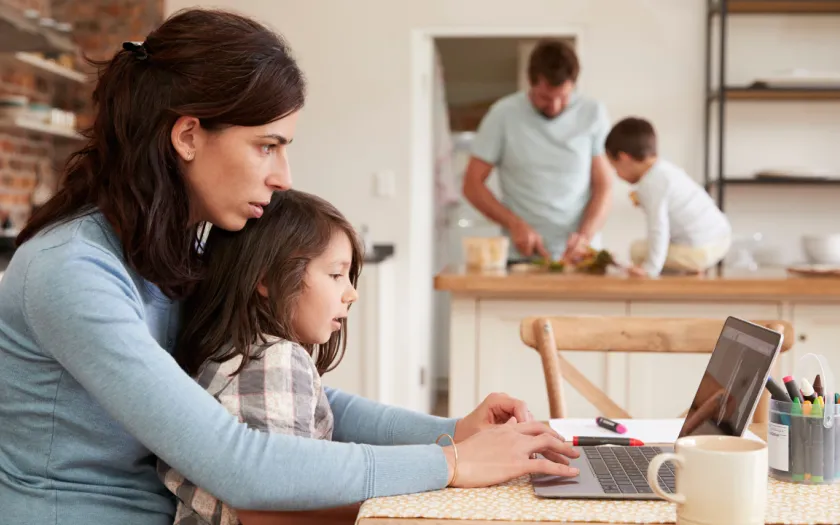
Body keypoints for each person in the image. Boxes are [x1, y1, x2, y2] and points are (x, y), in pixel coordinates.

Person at [0, 8, 579, 525]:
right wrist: (450, 462)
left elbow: (302, 397)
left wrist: (451, 432)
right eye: (267, 145)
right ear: (187, 136)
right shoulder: (72, 272)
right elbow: (237, 462)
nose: (284, 176)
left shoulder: (178, 251)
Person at [159, 190, 361, 525]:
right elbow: (272, 508)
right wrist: (381, 508)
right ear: (266, 278)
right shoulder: (276, 360)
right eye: (336, 274)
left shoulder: (231, 353)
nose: (351, 293)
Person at [462, 39, 613, 263]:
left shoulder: (593, 113)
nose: (554, 107)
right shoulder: (502, 115)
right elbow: (472, 185)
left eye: (563, 97)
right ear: (530, 84)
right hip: (520, 256)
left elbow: (604, 185)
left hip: (580, 257)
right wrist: (514, 224)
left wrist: (585, 235)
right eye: (545, 98)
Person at [604, 117, 732, 277]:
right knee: (660, 247)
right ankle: (690, 268)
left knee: (637, 250)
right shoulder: (665, 171)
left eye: (615, 168)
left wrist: (650, 269)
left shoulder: (651, 184)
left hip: (701, 250)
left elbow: (658, 228)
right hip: (720, 238)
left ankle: (669, 274)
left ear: (624, 158)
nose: (618, 175)